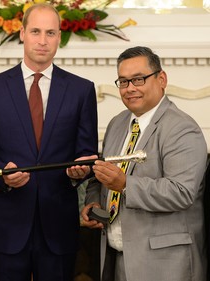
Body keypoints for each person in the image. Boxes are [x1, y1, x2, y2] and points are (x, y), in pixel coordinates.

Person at [0, 3, 98, 281]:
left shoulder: (82, 90)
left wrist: (82, 169)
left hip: (59, 228)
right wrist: (4, 173)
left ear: (59, 36)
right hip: (6, 226)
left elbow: (88, 153)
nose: (42, 41)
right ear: (22, 34)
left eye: (50, 33)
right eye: (36, 31)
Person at [81, 46, 207, 281]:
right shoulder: (117, 123)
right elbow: (103, 178)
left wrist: (126, 184)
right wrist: (93, 202)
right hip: (118, 258)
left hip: (165, 264)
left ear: (161, 79)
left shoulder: (182, 128)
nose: (130, 89)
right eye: (123, 82)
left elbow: (181, 192)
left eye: (138, 79)